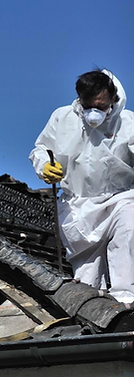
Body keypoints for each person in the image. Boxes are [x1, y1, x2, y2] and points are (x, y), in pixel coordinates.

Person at [29, 68, 134, 303]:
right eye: (88, 106)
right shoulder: (63, 117)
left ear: (113, 99)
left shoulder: (128, 122)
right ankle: (91, 310)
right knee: (87, 275)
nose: (94, 113)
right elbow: (41, 149)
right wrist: (45, 165)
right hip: (78, 205)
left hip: (119, 198)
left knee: (128, 234)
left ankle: (126, 302)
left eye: (101, 105)